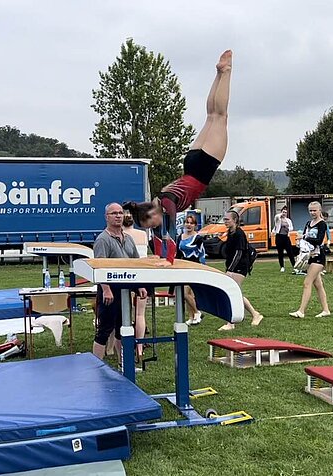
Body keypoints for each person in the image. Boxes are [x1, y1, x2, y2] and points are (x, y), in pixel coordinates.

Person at [122, 50, 233, 257]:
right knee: (211, 116)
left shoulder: (166, 202)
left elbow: (171, 231)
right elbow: (158, 233)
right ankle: (219, 73)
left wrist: (169, 260)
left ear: (152, 215)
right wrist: (157, 256)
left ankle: (225, 72)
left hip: (202, 167)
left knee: (220, 116)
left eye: (150, 224)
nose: (153, 227)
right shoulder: (159, 199)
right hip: (191, 163)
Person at [92, 203, 147, 366]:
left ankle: (123, 363)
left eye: (120, 213)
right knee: (104, 330)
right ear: (106, 217)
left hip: (125, 292)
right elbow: (99, 267)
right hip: (109, 292)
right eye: (113, 213)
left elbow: (135, 264)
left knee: (123, 329)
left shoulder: (128, 239)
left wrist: (140, 286)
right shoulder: (103, 240)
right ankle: (97, 366)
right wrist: (106, 290)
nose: (118, 216)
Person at [218, 210, 264, 331]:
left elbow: (239, 253)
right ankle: (250, 316)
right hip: (233, 266)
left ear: (235, 220)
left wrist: (230, 269)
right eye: (224, 219)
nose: (225, 222)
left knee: (233, 292)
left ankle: (236, 320)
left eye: (227, 219)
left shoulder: (239, 233)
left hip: (240, 267)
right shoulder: (230, 232)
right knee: (234, 293)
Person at [289, 202, 331, 318]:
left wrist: (304, 237)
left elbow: (319, 240)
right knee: (318, 285)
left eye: (315, 210)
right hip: (309, 256)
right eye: (310, 210)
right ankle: (326, 310)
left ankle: (301, 311)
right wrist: (300, 243)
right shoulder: (308, 223)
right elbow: (304, 238)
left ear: (319, 210)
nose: (312, 213)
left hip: (318, 257)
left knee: (307, 282)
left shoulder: (322, 224)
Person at [122, 209, 149, 360]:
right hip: (143, 276)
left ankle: (115, 347)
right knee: (140, 314)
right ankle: (139, 348)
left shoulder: (120, 236)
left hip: (125, 276)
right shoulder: (143, 234)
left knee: (124, 313)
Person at [177, 214, 206, 325]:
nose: (188, 225)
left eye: (191, 223)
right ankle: (191, 317)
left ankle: (197, 312)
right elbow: (178, 253)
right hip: (183, 267)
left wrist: (202, 267)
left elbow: (202, 253)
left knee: (186, 293)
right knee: (187, 294)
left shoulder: (198, 238)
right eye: (187, 222)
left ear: (195, 225)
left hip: (194, 267)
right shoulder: (180, 236)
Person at [272, 206, 296, 272]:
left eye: (285, 212)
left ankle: (294, 266)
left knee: (290, 252)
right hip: (279, 236)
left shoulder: (288, 220)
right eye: (283, 212)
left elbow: (291, 227)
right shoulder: (278, 219)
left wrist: (287, 228)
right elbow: (276, 217)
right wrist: (281, 214)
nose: (284, 213)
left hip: (286, 237)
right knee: (280, 253)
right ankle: (282, 266)